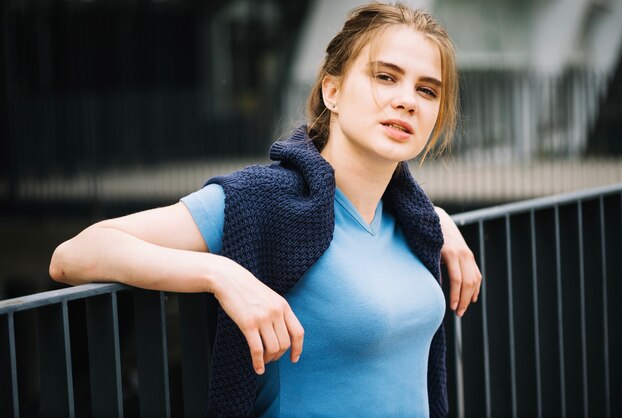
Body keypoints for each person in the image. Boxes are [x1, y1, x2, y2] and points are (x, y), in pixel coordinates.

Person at [50, 2, 482, 417]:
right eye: (385, 77)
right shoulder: (266, 200)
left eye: (427, 90)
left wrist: (439, 220)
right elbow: (74, 255)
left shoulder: (414, 219)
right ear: (332, 91)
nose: (407, 100)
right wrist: (221, 275)